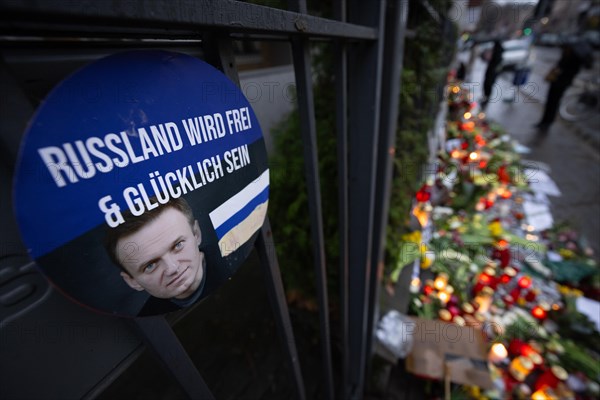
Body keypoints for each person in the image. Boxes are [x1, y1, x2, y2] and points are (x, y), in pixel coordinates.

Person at [104, 197, 207, 315]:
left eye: (178, 245)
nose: (172, 268)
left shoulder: (231, 261)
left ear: (196, 234)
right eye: (150, 265)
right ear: (133, 282)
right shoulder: (147, 320)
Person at [535, 40, 593, 130]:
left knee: (553, 102)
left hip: (561, 82)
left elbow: (585, 66)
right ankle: (545, 121)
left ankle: (547, 122)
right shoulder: (572, 56)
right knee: (551, 101)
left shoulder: (575, 57)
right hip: (559, 81)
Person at [482, 39, 504, 107]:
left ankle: (486, 98)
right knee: (487, 85)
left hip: (491, 73)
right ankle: (486, 97)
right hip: (491, 73)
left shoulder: (498, 55)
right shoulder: (498, 54)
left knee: (488, 85)